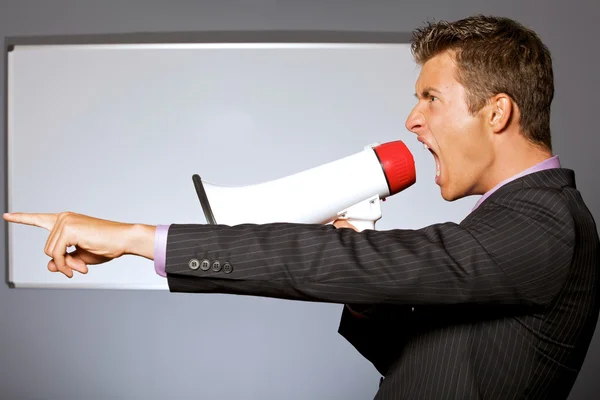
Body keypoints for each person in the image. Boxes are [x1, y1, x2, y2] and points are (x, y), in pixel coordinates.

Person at [3, 14, 599, 400]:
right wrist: (368, 293)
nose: (413, 119)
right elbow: (421, 366)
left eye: (431, 98)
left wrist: (138, 237)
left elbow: (345, 261)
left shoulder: (543, 221)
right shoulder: (512, 222)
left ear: (496, 112)